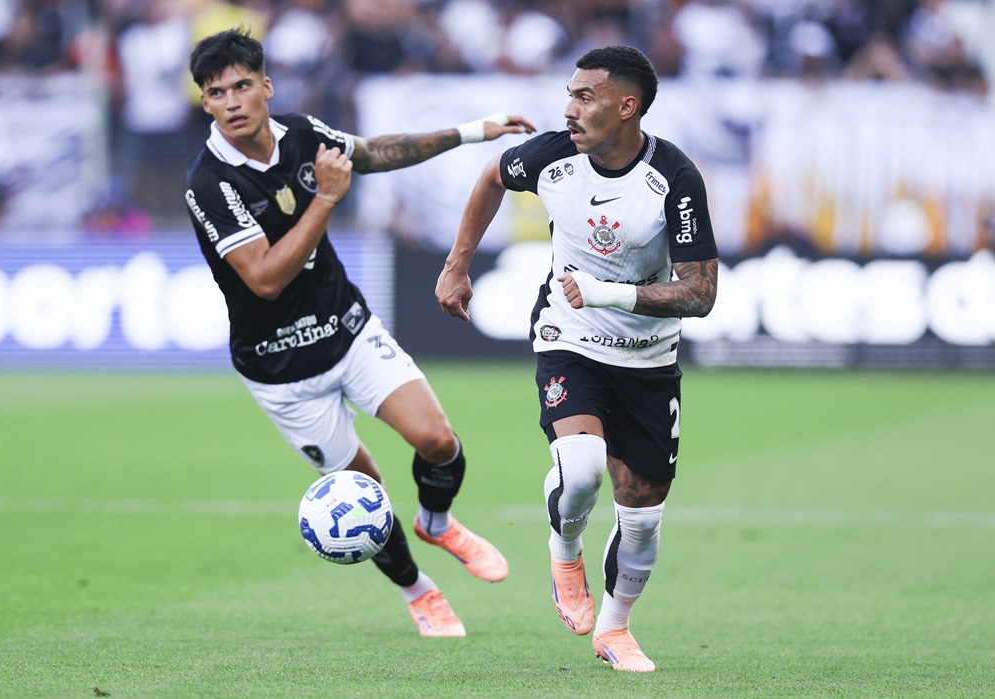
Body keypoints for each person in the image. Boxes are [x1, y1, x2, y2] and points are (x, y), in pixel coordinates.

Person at [184, 28, 536, 638]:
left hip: (346, 330)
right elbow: (264, 279)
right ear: (205, 103)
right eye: (217, 93)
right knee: (361, 496)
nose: (233, 102)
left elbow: (374, 152)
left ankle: (437, 522)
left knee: (438, 440)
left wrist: (471, 131)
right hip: (280, 369)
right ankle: (419, 592)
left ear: (266, 86)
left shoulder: (302, 134)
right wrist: (325, 199)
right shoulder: (208, 183)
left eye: (242, 86)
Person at [436, 45, 719, 671]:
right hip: (570, 339)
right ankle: (565, 551)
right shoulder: (552, 156)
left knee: (641, 519)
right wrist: (456, 266)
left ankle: (614, 630)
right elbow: (490, 178)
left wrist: (606, 292)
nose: (569, 108)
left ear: (627, 107)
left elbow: (700, 294)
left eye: (585, 96)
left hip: (648, 358)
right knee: (583, 470)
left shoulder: (674, 177)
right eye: (570, 93)